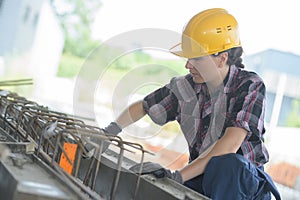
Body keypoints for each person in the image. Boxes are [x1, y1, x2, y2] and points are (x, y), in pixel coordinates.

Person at [102, 8, 281, 200]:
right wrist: (110, 131)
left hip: (242, 184)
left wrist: (177, 175)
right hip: (202, 176)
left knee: (228, 164)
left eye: (197, 58)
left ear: (222, 59)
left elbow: (230, 144)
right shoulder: (185, 87)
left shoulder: (250, 86)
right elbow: (143, 106)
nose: (188, 65)